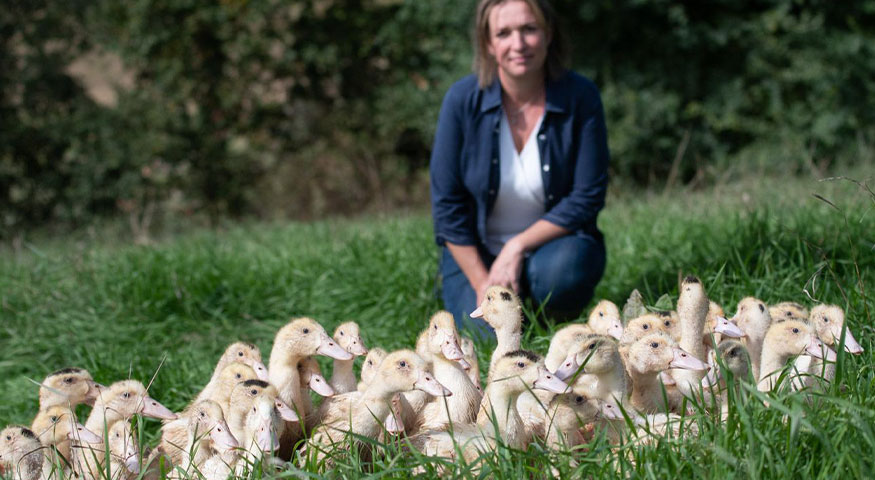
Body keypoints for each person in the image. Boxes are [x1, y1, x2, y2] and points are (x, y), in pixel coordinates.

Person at [430, 0, 609, 338]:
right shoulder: (460, 101)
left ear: (548, 33)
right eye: (504, 33)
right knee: (483, 336)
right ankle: (498, 299)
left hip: (554, 250)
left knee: (565, 273)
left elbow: (588, 195)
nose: (518, 44)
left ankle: (548, 315)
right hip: (477, 253)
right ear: (488, 43)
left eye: (529, 29)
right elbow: (446, 207)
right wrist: (485, 285)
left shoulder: (581, 97)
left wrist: (517, 246)